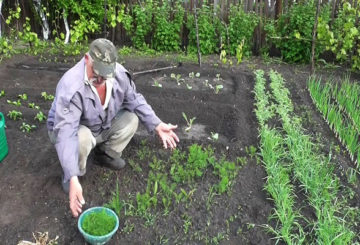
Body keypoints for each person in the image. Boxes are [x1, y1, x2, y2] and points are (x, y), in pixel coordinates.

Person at [47, 38, 179, 217]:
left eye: (105, 75)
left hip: (101, 125)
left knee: (131, 119)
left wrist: (156, 124)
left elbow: (135, 100)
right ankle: (73, 174)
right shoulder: (71, 87)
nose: (100, 79)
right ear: (87, 59)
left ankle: (105, 155)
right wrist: (72, 177)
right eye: (96, 72)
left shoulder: (119, 75)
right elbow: (66, 133)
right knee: (82, 138)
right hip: (74, 130)